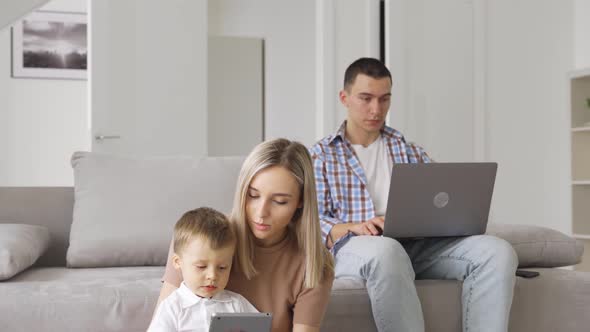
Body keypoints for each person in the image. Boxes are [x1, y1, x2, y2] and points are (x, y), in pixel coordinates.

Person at [310, 57, 518, 332]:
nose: (376, 109)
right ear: (344, 97)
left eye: (384, 99)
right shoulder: (321, 155)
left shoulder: (408, 150)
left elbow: (443, 200)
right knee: (387, 250)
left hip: (415, 244)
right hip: (356, 247)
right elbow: (309, 221)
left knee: (497, 252)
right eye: (366, 98)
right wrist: (354, 227)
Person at [157, 139, 335, 332]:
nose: (261, 212)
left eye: (279, 201)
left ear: (301, 201)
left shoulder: (314, 263)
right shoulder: (197, 238)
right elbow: (165, 319)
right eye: (253, 195)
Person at [148, 207, 258, 332]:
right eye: (201, 267)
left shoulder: (237, 305)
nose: (212, 275)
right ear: (178, 262)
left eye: (222, 267)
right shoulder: (172, 307)